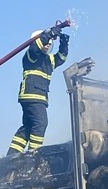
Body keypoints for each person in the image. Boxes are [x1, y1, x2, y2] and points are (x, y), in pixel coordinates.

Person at [8, 27, 69, 155]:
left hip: (36, 97)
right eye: (45, 43)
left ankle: (11, 156)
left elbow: (61, 58)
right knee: (41, 123)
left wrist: (64, 44)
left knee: (28, 127)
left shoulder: (49, 60)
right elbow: (35, 47)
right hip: (32, 96)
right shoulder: (31, 55)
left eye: (49, 44)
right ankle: (33, 155)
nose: (47, 45)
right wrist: (49, 34)